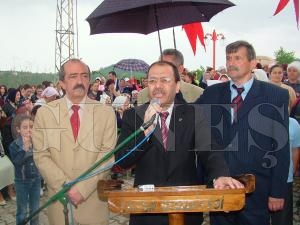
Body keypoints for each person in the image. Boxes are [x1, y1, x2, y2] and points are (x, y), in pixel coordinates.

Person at [115, 60, 243, 225]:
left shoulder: (193, 114)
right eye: (152, 81)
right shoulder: (134, 116)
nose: (158, 86)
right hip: (146, 211)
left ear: (177, 86)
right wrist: (144, 132)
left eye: (165, 80)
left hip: (186, 207)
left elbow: (209, 150)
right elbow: (121, 161)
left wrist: (219, 175)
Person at [196, 40, 290, 225]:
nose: (231, 62)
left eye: (237, 58)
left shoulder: (275, 95)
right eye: (228, 58)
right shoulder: (212, 93)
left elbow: (281, 147)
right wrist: (171, 89)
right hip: (220, 184)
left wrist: (277, 192)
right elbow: (188, 114)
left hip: (257, 189)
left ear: (253, 63)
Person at [32, 58, 117, 225]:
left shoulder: (106, 113)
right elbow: (41, 156)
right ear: (62, 83)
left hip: (94, 204)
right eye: (73, 76)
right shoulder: (45, 113)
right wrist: (65, 187)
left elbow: (107, 156)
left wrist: (83, 189)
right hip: (60, 202)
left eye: (84, 76)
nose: (80, 81)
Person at [137, 49, 203, 105]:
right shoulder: (143, 94)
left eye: (168, 67)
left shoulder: (198, 94)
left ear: (180, 69)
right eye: (160, 65)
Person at [9, 114, 41, 225]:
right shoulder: (14, 145)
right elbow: (17, 162)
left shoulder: (37, 142)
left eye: (31, 127)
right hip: (21, 182)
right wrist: (25, 147)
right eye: (25, 127)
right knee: (22, 211)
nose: (29, 130)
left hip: (36, 180)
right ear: (18, 129)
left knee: (35, 209)